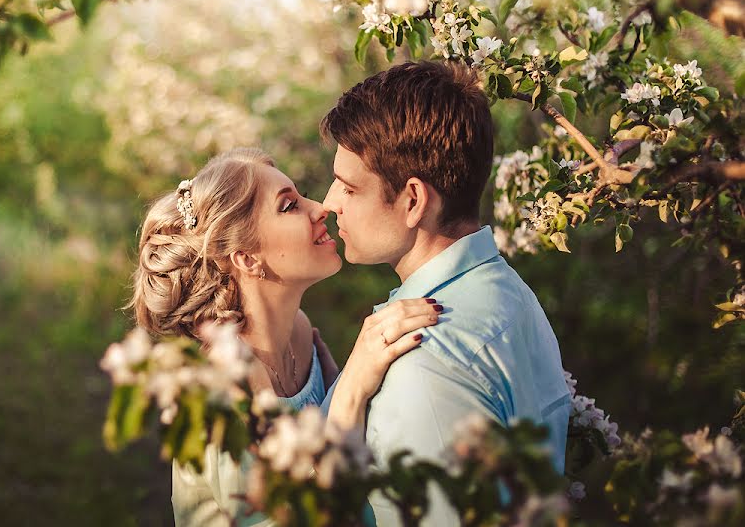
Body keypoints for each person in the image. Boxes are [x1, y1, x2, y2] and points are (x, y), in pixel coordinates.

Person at [127, 148, 443, 526]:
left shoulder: (298, 332)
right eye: (289, 205)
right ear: (246, 258)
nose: (320, 208)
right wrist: (350, 391)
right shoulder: (223, 392)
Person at [319, 60, 571, 526]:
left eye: (349, 188)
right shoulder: (509, 294)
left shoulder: (422, 366)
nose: (330, 202)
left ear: (413, 200)